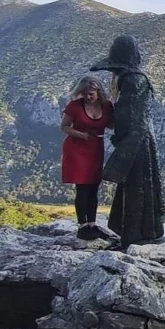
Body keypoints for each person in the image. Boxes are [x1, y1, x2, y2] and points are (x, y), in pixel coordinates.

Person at [90, 34, 165, 247]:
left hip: (136, 140)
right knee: (139, 186)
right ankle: (141, 231)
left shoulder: (133, 80)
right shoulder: (134, 79)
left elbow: (128, 114)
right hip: (140, 138)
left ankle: (136, 235)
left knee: (137, 187)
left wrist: (120, 137)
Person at [60, 76, 114, 240]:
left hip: (95, 149)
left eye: (90, 94)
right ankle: (83, 226)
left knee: (94, 187)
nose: (87, 97)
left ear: (98, 92)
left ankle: (92, 224)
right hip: (76, 149)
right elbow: (64, 127)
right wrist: (82, 135)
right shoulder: (75, 107)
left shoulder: (107, 106)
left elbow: (111, 125)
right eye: (84, 94)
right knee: (82, 187)